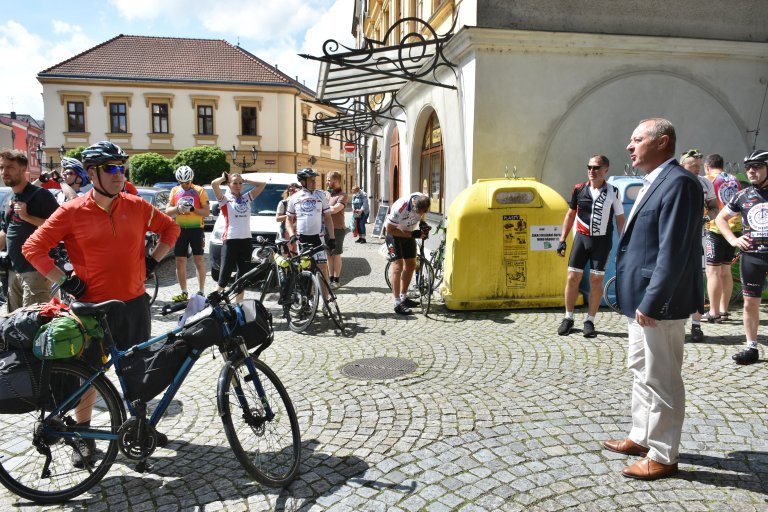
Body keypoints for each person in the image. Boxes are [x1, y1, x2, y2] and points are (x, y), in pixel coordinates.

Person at [22, 141, 180, 467]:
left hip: (134, 303)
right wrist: (67, 280)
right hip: (92, 308)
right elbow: (33, 248)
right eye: (110, 168)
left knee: (138, 370)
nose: (118, 174)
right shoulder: (71, 211)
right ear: (91, 173)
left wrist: (152, 262)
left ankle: (139, 427)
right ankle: (83, 435)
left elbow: (171, 228)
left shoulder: (137, 205)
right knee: (89, 373)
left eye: (122, 167)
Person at [604, 118, 703, 481]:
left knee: (662, 378)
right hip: (640, 300)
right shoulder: (654, 180)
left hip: (659, 302)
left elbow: (674, 250)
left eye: (638, 139)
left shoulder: (680, 182)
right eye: (630, 139)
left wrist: (653, 299)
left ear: (662, 142)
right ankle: (641, 436)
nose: (630, 146)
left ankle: (663, 454)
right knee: (641, 371)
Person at [556, 155, 625, 338]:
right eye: (589, 167)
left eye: (596, 167)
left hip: (602, 242)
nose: (592, 171)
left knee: (596, 281)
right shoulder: (579, 189)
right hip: (581, 239)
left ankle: (590, 320)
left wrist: (624, 241)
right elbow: (570, 215)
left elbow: (619, 218)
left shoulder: (613, 191)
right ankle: (568, 318)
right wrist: (562, 239)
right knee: (572, 277)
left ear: (605, 170)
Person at [714, 149, 768, 365]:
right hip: (752, 256)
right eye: (748, 168)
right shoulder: (743, 194)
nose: (751, 171)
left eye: (757, 167)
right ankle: (751, 347)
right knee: (750, 303)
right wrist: (733, 240)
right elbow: (720, 219)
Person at [0, 149, 59, 312]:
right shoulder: (9, 199)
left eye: (10, 167)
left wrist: (27, 217)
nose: (5, 172)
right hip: (13, 271)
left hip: (35, 272)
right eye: (2, 167)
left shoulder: (41, 196)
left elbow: (58, 228)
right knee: (15, 325)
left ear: (23, 167)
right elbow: (6, 232)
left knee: (34, 324)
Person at [679, 148, 719, 343]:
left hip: (699, 237)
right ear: (682, 166)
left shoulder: (705, 183)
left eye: (698, 166)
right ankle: (676, 324)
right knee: (676, 279)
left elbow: (714, 207)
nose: (696, 170)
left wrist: (705, 218)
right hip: (677, 240)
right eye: (692, 166)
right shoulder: (675, 182)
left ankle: (696, 325)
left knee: (697, 282)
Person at [211, 172, 266, 302]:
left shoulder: (247, 197)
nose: (238, 186)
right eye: (234, 183)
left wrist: (245, 179)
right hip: (230, 240)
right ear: (229, 185)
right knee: (223, 279)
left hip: (246, 241)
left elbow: (262, 184)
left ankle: (238, 307)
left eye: (240, 183)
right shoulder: (224, 199)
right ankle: (212, 305)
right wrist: (225, 178)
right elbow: (214, 184)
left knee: (242, 279)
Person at [285, 168, 335, 298]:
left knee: (323, 268)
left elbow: (328, 218)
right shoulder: (294, 198)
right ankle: (306, 299)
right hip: (302, 239)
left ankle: (325, 301)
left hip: (318, 238)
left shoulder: (321, 195)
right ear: (302, 182)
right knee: (305, 270)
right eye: (311, 180)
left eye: (315, 180)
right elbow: (288, 220)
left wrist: (332, 238)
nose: (314, 182)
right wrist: (291, 235)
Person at [704, 153, 741, 322]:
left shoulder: (708, 179)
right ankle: (724, 310)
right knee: (725, 270)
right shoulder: (734, 179)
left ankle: (713, 312)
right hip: (735, 228)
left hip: (716, 228)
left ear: (707, 166)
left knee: (713, 271)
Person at [166, 165, 210, 302]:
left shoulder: (200, 190)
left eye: (187, 182)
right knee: (180, 261)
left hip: (196, 228)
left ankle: (201, 291)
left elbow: (206, 212)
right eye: (182, 183)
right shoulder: (174, 190)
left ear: (192, 179)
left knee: (199, 260)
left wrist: (193, 209)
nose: (185, 185)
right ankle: (183, 292)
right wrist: (178, 209)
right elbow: (168, 210)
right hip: (180, 229)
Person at [384, 192, 431, 315]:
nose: (420, 214)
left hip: (408, 234)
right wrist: (412, 234)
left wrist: (423, 224)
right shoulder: (401, 206)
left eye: (423, 212)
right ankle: (397, 302)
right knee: (398, 266)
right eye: (418, 211)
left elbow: (422, 217)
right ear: (414, 203)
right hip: (394, 234)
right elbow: (389, 229)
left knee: (411, 266)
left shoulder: (423, 199)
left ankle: (403, 297)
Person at [325, 171, 347, 289]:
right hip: (326, 228)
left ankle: (337, 280)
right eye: (327, 179)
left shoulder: (342, 195)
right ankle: (330, 278)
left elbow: (335, 210)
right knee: (328, 254)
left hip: (338, 229)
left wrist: (324, 208)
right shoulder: (327, 194)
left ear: (336, 181)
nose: (327, 182)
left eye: (329, 180)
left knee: (336, 254)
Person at [275, 182, 301, 251]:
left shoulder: (300, 203)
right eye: (291, 190)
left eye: (295, 190)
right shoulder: (283, 203)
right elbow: (277, 219)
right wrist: (290, 215)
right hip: (285, 233)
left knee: (297, 255)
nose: (293, 192)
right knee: (286, 255)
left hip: (298, 232)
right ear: (288, 191)